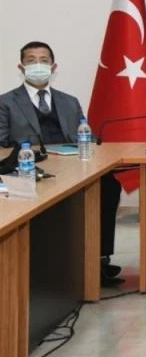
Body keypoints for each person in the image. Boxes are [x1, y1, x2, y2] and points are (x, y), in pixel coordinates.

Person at [0, 41, 124, 286]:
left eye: (44, 60)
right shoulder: (6, 102)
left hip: (72, 167)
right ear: (21, 67)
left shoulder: (69, 101)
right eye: (31, 60)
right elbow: (1, 141)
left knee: (108, 186)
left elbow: (86, 137)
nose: (38, 65)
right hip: (28, 168)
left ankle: (99, 259)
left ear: (53, 66)